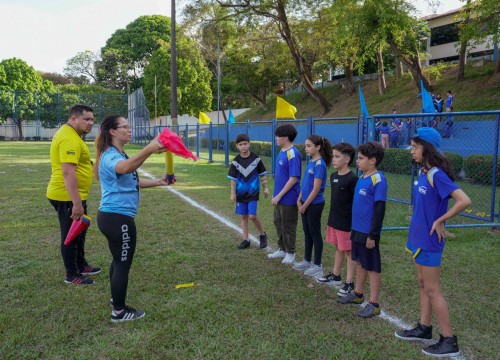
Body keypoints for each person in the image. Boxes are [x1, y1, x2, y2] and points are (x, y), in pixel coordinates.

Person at [395, 127, 471, 357]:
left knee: (433, 289)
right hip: (419, 237)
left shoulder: (436, 174)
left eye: (415, 147)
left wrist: (441, 220)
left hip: (430, 240)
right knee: (422, 285)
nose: (411, 151)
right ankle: (424, 328)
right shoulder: (423, 172)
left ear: (427, 148)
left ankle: (449, 341)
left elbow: (463, 200)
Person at [94, 115, 168, 323]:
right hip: (118, 219)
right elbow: (125, 168)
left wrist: (158, 182)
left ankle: (114, 299)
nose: (129, 129)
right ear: (112, 132)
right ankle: (119, 311)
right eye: (125, 126)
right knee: (122, 264)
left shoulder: (118, 153)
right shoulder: (110, 156)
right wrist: (149, 149)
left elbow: (130, 179)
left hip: (113, 218)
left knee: (118, 261)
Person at [47, 104, 101, 285]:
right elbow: (68, 172)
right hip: (66, 196)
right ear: (73, 118)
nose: (90, 123)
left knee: (79, 231)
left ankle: (80, 264)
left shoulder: (73, 134)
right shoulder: (69, 138)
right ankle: (72, 274)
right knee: (70, 234)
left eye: (92, 119)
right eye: (86, 119)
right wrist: (76, 203)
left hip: (73, 195)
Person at [338, 142, 387, 319]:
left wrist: (373, 234)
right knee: (360, 262)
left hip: (368, 233)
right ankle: (358, 294)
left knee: (372, 266)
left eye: (360, 158)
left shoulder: (378, 179)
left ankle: (374, 304)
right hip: (356, 229)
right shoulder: (362, 178)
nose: (357, 161)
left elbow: (379, 210)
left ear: (372, 161)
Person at [318, 142, 358, 297]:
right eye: (333, 156)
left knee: (349, 251)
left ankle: (349, 283)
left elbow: (355, 204)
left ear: (347, 159)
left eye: (337, 157)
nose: (333, 159)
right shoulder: (333, 175)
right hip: (334, 220)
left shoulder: (352, 179)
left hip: (346, 223)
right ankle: (336, 275)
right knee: (338, 248)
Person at [293, 135, 332, 277]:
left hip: (314, 204)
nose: (306, 148)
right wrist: (299, 199)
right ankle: (307, 260)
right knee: (307, 232)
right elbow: (305, 184)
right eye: (305, 146)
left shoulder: (320, 164)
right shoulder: (311, 162)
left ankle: (317, 265)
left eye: (309, 146)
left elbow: (316, 189)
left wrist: (305, 205)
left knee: (315, 233)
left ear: (318, 147)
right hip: (304, 203)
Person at [227, 134, 269, 249]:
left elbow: (262, 175)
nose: (243, 146)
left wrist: (265, 188)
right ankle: (246, 240)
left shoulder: (256, 158)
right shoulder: (235, 161)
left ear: (249, 144)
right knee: (243, 216)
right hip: (240, 194)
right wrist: (233, 193)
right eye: (241, 145)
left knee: (252, 216)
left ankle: (262, 235)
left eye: (245, 144)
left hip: (253, 193)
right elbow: (233, 180)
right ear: (237, 146)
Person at [268, 124, 302, 264]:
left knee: (288, 225)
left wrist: (279, 195)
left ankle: (290, 252)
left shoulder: (293, 154)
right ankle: (282, 249)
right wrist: (275, 194)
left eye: (278, 136)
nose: (276, 138)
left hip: (288, 197)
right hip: (279, 196)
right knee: (278, 222)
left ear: (285, 138)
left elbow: (293, 178)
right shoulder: (282, 151)